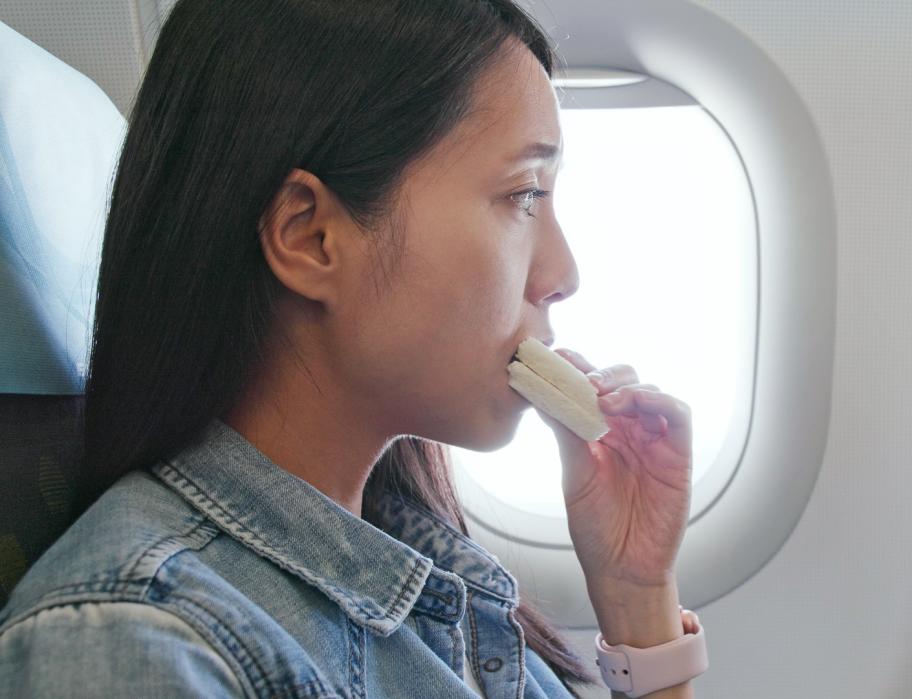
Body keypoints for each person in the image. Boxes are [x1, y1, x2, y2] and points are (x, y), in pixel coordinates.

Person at [0, 1, 703, 696]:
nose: (563, 276)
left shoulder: (429, 571)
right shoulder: (137, 645)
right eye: (523, 194)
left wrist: (638, 596)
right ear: (310, 237)